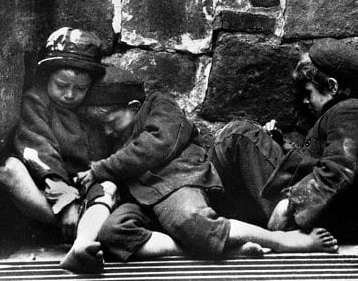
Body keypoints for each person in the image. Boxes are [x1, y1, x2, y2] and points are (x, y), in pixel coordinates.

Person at [72, 88, 339, 270]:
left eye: (110, 121)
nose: (106, 131)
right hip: (140, 197)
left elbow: (158, 144)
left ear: (133, 107)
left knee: (192, 223)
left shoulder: (158, 104)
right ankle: (223, 248)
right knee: (112, 234)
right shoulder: (107, 135)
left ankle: (281, 241)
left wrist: (101, 170)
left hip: (173, 180)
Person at [208, 38, 358, 245]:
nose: (305, 101)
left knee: (238, 136)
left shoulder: (350, 110)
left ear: (333, 86)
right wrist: (281, 143)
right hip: (318, 207)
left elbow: (341, 170)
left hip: (321, 214)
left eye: (309, 92)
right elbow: (318, 160)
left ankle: (202, 220)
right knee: (242, 136)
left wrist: (292, 203)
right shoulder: (342, 112)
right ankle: (206, 217)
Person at [0, 27, 115, 246]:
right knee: (9, 169)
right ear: (47, 77)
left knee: (109, 187)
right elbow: (40, 150)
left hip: (85, 187)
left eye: (80, 88)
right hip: (48, 185)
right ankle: (74, 226)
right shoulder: (37, 102)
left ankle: (87, 227)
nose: (70, 95)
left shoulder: (92, 109)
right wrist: (64, 200)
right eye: (61, 85)